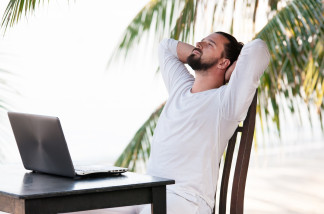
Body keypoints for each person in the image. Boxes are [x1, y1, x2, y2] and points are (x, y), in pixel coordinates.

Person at [65, 31, 270, 214]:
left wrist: (232, 71)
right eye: (201, 41)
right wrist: (199, 52)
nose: (198, 43)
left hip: (186, 201)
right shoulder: (180, 87)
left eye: (209, 44)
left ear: (224, 62)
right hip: (149, 191)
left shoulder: (226, 102)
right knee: (72, 208)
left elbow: (258, 49)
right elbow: (166, 47)